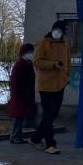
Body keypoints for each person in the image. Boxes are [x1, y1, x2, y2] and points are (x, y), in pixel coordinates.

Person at [31, 21, 71, 154]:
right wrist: (53, 64)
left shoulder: (65, 45)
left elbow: (67, 63)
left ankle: (35, 138)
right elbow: (37, 61)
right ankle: (50, 143)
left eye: (61, 31)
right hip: (46, 85)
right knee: (48, 114)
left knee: (53, 115)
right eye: (57, 29)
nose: (58, 32)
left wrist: (67, 77)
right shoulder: (43, 43)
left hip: (60, 85)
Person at [6, 43, 37, 143]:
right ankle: (14, 136)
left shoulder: (27, 64)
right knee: (18, 117)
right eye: (29, 52)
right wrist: (19, 93)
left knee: (20, 116)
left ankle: (17, 136)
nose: (31, 54)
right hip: (19, 96)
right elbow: (14, 82)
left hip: (24, 95)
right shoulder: (20, 65)